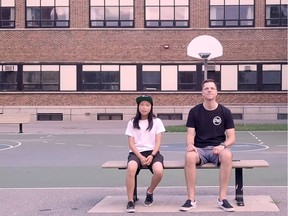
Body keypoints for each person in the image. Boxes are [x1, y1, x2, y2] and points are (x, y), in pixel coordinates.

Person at [180, 79, 236, 212]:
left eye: (212, 88)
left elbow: (232, 137)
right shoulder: (195, 111)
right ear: (202, 93)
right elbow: (190, 133)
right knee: (189, 156)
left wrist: (223, 145)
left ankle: (222, 199)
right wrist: (190, 144)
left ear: (217, 92)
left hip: (218, 149)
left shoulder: (225, 112)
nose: (209, 90)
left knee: (228, 154)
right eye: (206, 88)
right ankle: (191, 199)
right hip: (200, 149)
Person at [125, 95, 166, 213]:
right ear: (138, 107)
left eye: (147, 105)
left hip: (152, 153)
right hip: (136, 153)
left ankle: (150, 192)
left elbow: (158, 142)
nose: (144, 107)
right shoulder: (132, 122)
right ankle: (130, 201)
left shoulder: (157, 121)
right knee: (131, 167)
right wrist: (140, 157)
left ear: (151, 107)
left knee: (158, 171)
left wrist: (152, 155)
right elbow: (131, 144)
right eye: (142, 105)